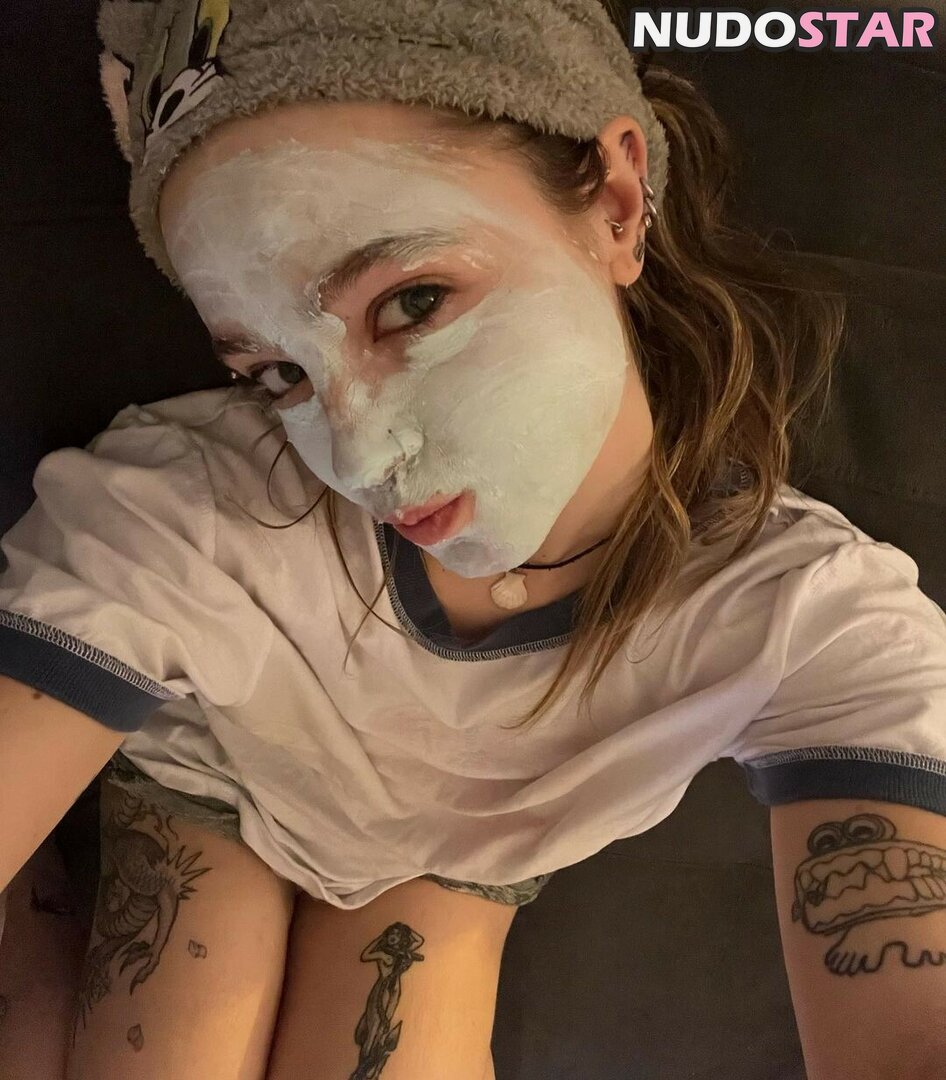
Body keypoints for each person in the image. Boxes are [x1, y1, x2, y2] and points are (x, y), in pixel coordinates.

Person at [1, 0, 945, 1078]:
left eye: (412, 302)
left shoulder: (810, 619)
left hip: (456, 857)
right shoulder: (191, 516)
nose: (356, 455)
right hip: (214, 772)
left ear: (617, 205)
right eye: (279, 373)